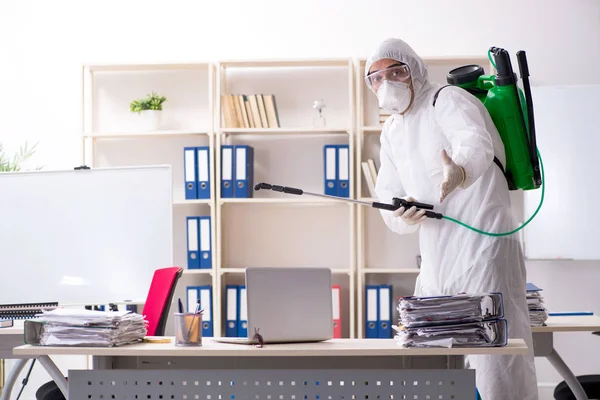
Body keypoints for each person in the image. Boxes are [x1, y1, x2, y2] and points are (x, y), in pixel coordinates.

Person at [366, 38, 538, 400]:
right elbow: (386, 192)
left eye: (396, 71)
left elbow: (475, 142)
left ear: (415, 71)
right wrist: (401, 214)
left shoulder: (447, 99)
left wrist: (459, 171)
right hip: (436, 254)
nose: (388, 83)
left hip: (483, 244)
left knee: (493, 354)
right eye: (376, 77)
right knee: (428, 347)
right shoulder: (392, 130)